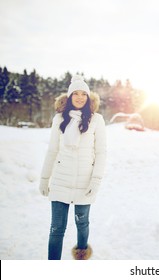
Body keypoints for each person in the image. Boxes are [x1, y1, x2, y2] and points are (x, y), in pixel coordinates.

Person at [39, 75, 107, 260]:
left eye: (83, 94)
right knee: (56, 228)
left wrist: (96, 179)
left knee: (82, 223)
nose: (79, 97)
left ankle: (81, 255)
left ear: (88, 97)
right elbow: (52, 151)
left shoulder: (96, 120)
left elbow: (101, 153)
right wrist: (45, 178)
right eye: (75, 94)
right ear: (69, 97)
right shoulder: (59, 119)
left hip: (85, 181)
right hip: (61, 180)